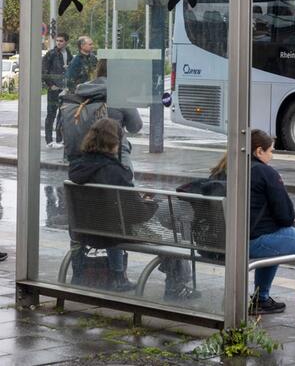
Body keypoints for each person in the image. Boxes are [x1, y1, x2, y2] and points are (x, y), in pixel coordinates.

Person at [68, 118, 198, 300]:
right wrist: (149, 203)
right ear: (115, 143)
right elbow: (135, 214)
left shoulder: (77, 168)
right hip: (114, 233)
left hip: (86, 231)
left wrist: (137, 200)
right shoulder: (116, 172)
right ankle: (176, 287)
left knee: (168, 227)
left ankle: (173, 281)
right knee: (174, 230)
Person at [218, 130, 295, 326]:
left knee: (274, 241)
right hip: (250, 242)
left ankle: (261, 300)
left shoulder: (225, 169)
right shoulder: (265, 172)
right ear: (258, 151)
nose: (272, 156)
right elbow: (285, 215)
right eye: (270, 151)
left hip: (223, 241)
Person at [65, 60, 142, 173]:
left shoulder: (82, 91)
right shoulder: (119, 94)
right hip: (113, 155)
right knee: (126, 185)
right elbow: (135, 126)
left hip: (83, 154)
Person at [42, 33, 73, 148]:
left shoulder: (68, 53)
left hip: (64, 88)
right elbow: (44, 71)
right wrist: (50, 85)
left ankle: (59, 139)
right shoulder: (51, 54)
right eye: (57, 41)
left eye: (61, 41)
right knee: (51, 114)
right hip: (54, 89)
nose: (59, 43)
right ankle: (49, 141)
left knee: (63, 114)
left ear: (66, 42)